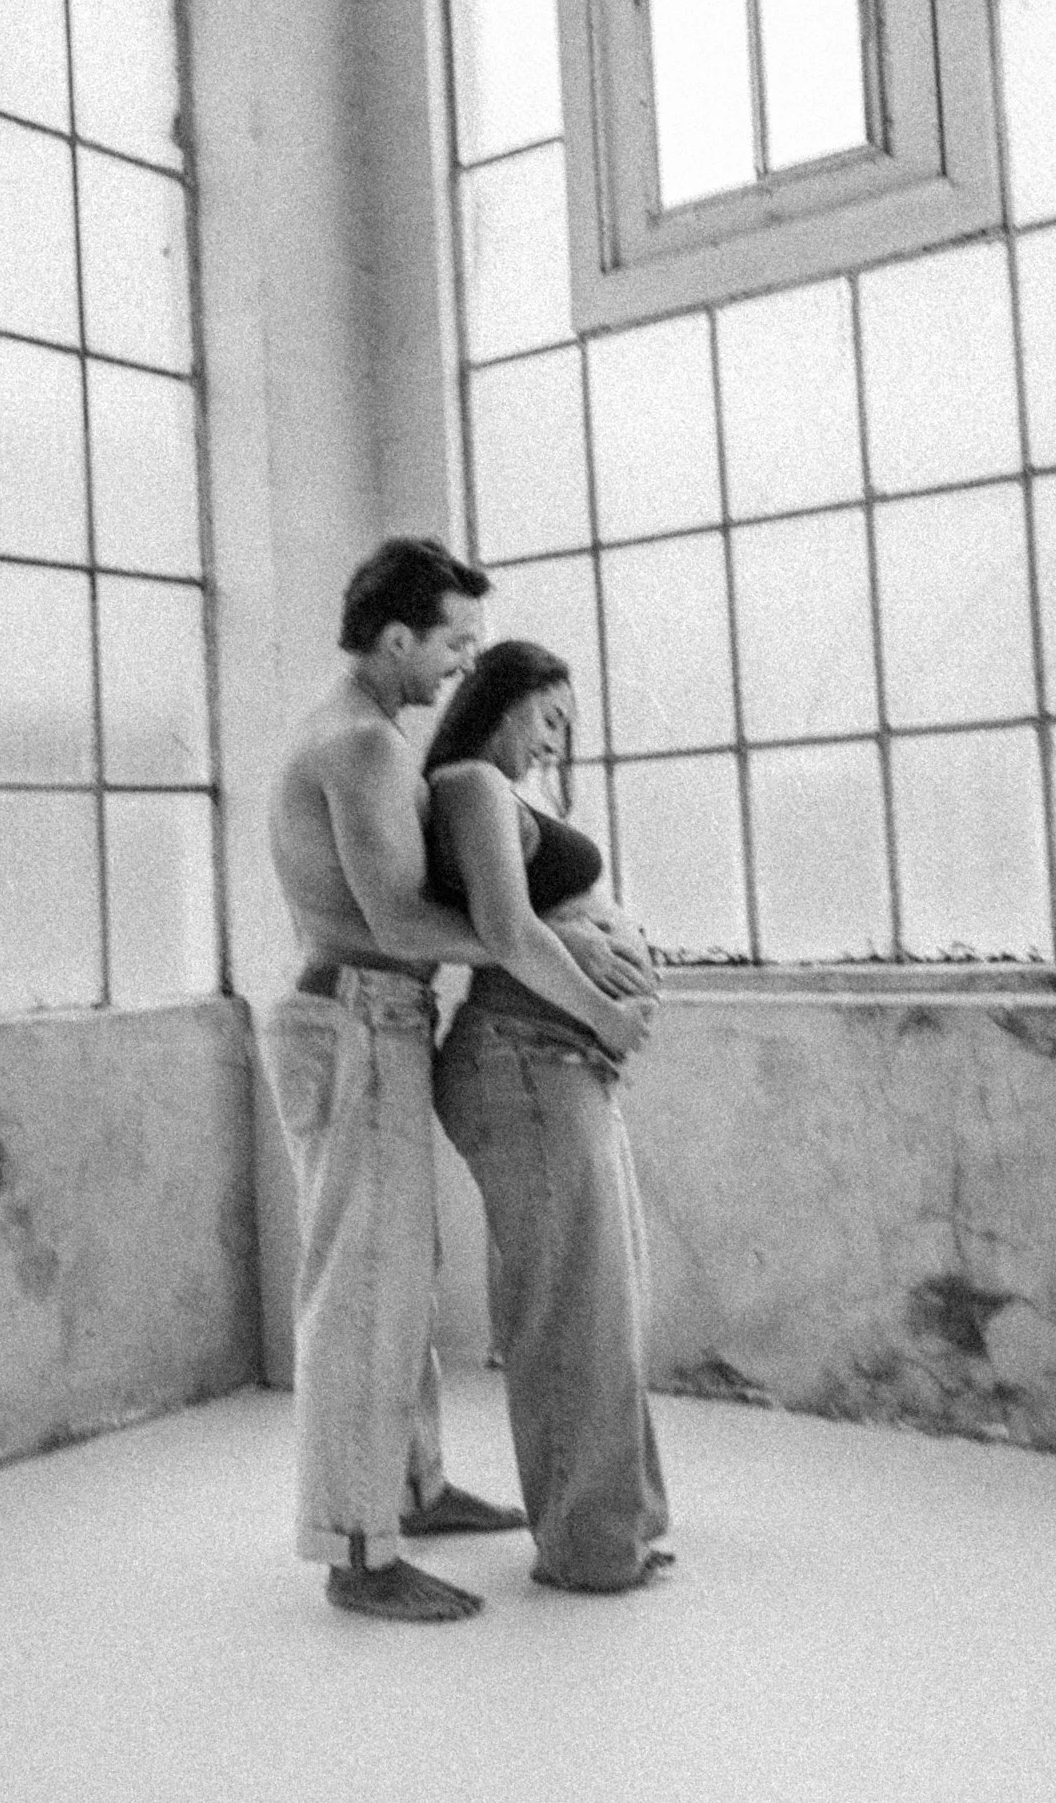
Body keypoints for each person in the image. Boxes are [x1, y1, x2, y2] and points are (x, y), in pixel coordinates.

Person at [263, 541, 655, 1622]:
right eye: (451, 642)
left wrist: (544, 935)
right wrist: (546, 945)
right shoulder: (359, 746)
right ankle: (357, 1548)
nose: (458, 668)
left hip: (375, 1013)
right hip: (354, 1008)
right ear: (397, 638)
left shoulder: (372, 741)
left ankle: (415, 1489)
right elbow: (394, 920)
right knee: (366, 1289)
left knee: (402, 1273)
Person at [425, 640, 672, 1594]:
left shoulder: (518, 796)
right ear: (500, 702)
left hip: (560, 1063)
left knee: (605, 1300)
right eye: (547, 715)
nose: (559, 738)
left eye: (571, 721)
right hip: (521, 1064)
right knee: (569, 1306)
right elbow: (508, 930)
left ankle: (619, 1527)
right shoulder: (472, 783)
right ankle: (584, 1545)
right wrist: (607, 1012)